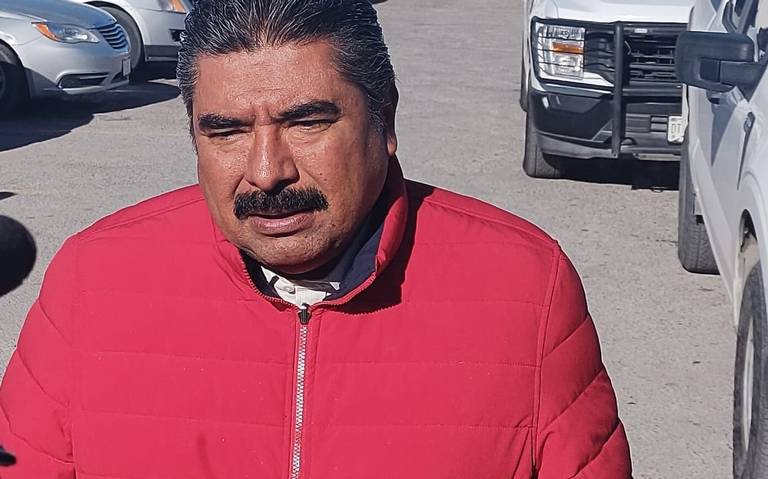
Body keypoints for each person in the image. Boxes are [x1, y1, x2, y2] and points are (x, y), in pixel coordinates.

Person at [0, 0, 632, 477]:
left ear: (385, 120)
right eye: (226, 132)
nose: (266, 171)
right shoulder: (94, 279)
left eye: (306, 123)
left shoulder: (525, 285)